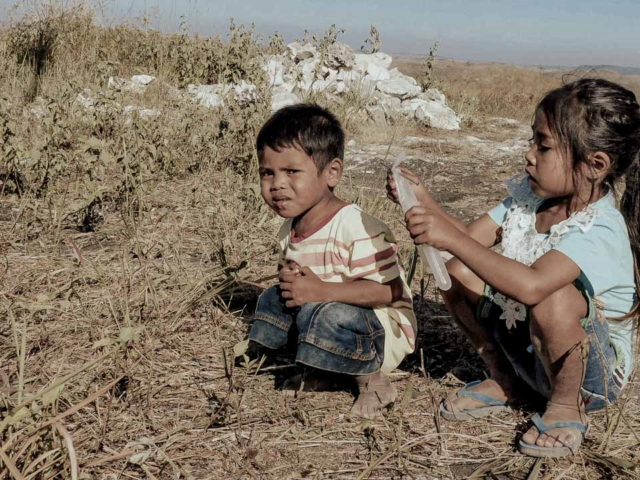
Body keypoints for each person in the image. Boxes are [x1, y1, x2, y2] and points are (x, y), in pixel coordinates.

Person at [386, 78, 639, 457]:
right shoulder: (528, 198)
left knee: (554, 296)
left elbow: (534, 286)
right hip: (532, 351)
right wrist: (425, 202)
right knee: (458, 270)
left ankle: (566, 407)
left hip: (591, 377)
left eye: (544, 145)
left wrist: (450, 238)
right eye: (531, 141)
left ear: (594, 165)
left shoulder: (598, 228)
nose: (529, 155)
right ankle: (507, 380)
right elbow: (472, 242)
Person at [248, 103, 417, 418]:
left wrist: (320, 291)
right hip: (329, 313)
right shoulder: (290, 228)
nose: (277, 184)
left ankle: (373, 382)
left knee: (327, 313)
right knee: (274, 296)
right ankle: (312, 367)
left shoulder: (356, 226)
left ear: (332, 173)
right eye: (267, 173)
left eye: (292, 172)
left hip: (382, 333)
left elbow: (389, 292)